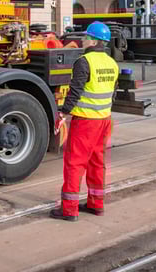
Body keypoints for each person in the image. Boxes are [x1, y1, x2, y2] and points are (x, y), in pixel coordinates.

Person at [50, 21, 119, 221]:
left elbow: (76, 91)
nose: (83, 40)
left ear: (93, 40)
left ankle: (69, 210)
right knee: (97, 163)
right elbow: (112, 93)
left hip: (86, 122)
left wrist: (64, 113)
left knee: (74, 163)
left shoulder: (84, 61)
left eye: (86, 37)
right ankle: (96, 204)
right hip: (104, 120)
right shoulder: (111, 63)